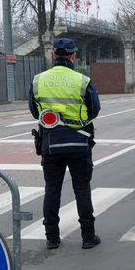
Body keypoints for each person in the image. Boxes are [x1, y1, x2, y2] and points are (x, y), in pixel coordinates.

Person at [29, 38, 102, 250]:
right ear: (73, 56)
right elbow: (94, 110)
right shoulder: (82, 80)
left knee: (52, 189)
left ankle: (52, 237)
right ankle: (88, 237)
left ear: (53, 55)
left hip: (50, 144)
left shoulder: (38, 80)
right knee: (82, 189)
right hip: (79, 143)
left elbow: (35, 111)